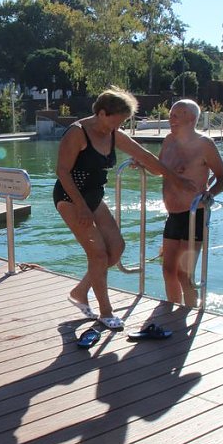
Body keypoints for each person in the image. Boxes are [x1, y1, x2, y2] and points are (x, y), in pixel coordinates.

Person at [55, 88, 194, 329]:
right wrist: (81, 207)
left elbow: (146, 156)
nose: (117, 127)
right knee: (98, 254)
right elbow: (62, 171)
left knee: (116, 248)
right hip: (70, 197)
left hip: (94, 197)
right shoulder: (78, 133)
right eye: (116, 121)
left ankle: (80, 291)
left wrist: (176, 179)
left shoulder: (113, 134)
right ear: (101, 113)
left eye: (121, 123)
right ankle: (106, 312)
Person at [154, 99, 223, 307]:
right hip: (173, 214)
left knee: (184, 273)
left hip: (194, 214)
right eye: (170, 115)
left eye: (176, 115)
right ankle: (171, 309)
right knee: (168, 270)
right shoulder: (169, 140)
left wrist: (210, 194)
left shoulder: (204, 144)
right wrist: (141, 163)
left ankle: (188, 311)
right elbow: (159, 168)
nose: (171, 119)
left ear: (191, 119)